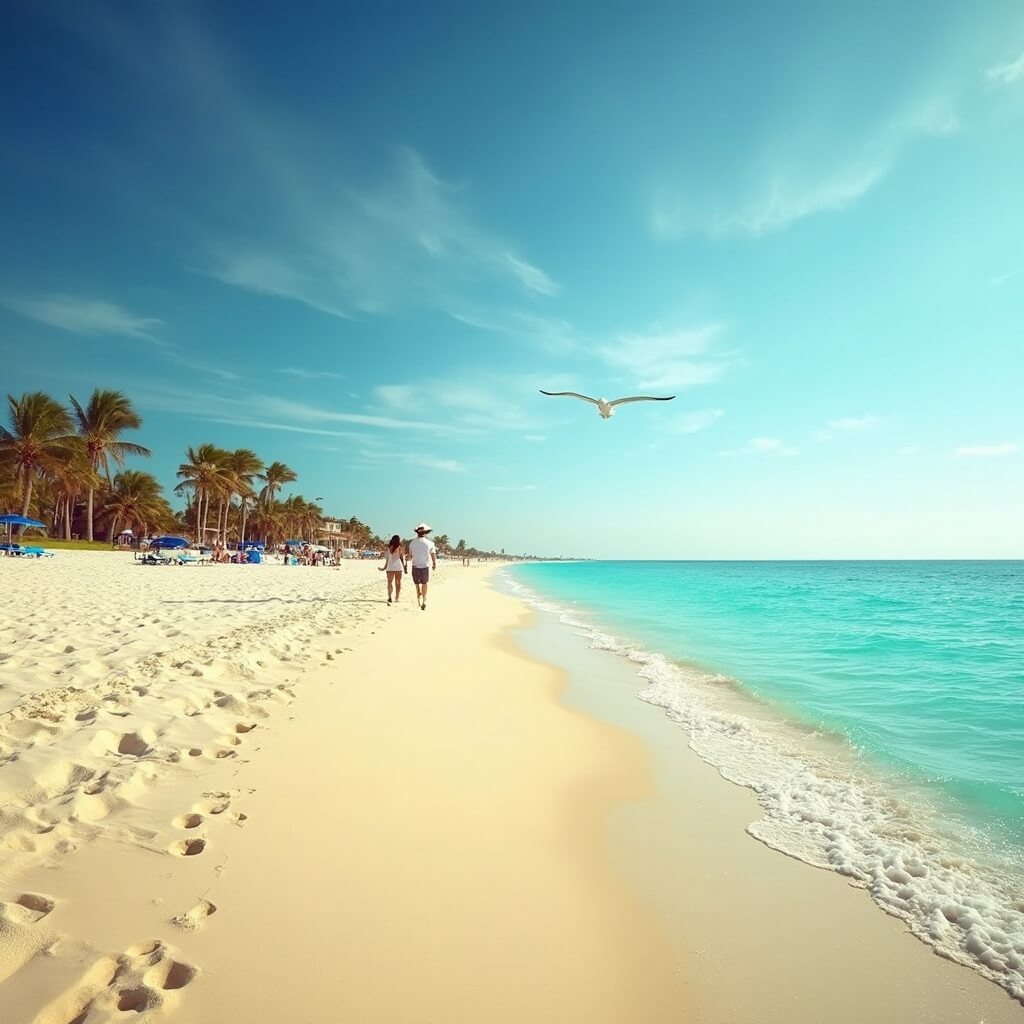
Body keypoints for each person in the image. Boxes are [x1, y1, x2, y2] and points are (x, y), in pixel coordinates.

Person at [408, 523, 437, 610]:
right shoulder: (430, 543)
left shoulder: (412, 543)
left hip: (415, 566)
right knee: (424, 583)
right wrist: (434, 564)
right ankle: (424, 600)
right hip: (425, 566)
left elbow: (410, 557)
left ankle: (419, 599)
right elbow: (433, 554)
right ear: (425, 533)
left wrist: (406, 559)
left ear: (417, 533)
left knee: (417, 584)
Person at [378, 534, 407, 604]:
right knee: (398, 583)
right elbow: (402, 558)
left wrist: (384, 568)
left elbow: (387, 559)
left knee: (389, 583)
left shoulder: (389, 548)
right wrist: (405, 568)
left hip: (390, 567)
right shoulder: (400, 547)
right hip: (398, 567)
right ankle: (397, 597)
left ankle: (389, 596)